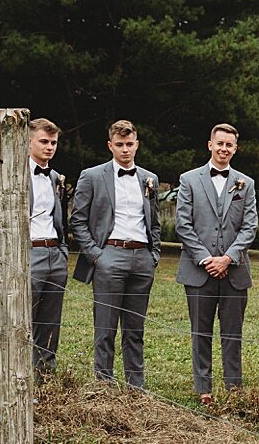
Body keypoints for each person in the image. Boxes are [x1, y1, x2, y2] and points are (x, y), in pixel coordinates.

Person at [70, 119, 161, 389]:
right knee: (105, 327)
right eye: (119, 145)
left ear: (137, 145)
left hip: (142, 258)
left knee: (135, 329)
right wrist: (97, 255)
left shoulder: (149, 179)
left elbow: (154, 220)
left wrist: (153, 253)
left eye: (129, 144)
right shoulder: (92, 176)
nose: (125, 150)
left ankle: (136, 388)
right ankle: (104, 386)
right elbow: (78, 220)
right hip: (110, 254)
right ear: (110, 145)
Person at [176, 123, 259, 405]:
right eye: (219, 143)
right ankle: (204, 388)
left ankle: (233, 386)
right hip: (199, 270)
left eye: (229, 145)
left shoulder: (246, 184)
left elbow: (250, 227)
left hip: (234, 270)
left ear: (235, 149)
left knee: (233, 332)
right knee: (200, 331)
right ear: (210, 144)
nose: (224, 149)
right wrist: (206, 258)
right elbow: (183, 225)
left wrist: (228, 258)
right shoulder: (189, 180)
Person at [26, 117, 69, 375]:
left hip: (55, 252)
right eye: (44, 141)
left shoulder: (55, 177)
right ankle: (19, 374)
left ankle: (45, 376)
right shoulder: (15, 174)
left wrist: (62, 251)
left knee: (51, 321)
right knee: (24, 317)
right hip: (30, 252)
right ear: (29, 142)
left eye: (53, 142)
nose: (49, 147)